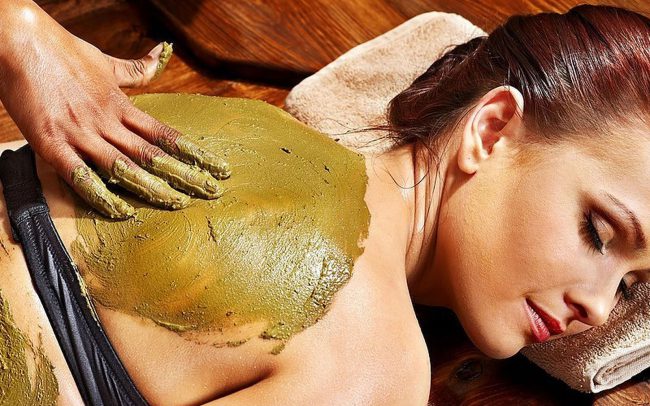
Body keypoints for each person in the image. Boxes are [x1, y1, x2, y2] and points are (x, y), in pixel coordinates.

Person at [1, 2, 649, 405]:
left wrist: (19, 30)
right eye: (597, 231)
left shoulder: (245, 127)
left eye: (629, 288)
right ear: (491, 129)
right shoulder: (378, 367)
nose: (598, 310)